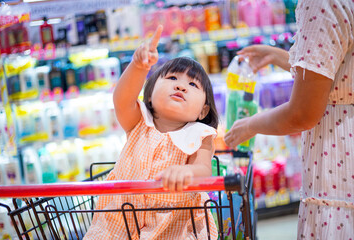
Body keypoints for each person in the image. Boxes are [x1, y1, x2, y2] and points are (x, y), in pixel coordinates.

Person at [224, 0, 354, 238]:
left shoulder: (320, 3)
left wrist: (249, 125)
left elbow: (302, 114)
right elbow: (334, 72)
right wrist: (277, 56)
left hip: (338, 165)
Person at [84, 25, 219, 239]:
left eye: (192, 84)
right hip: (118, 219)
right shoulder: (138, 121)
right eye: (172, 78)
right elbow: (122, 98)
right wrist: (138, 66)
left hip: (174, 224)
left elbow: (204, 169)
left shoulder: (200, 134)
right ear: (149, 94)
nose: (181, 87)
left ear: (203, 111)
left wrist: (187, 173)